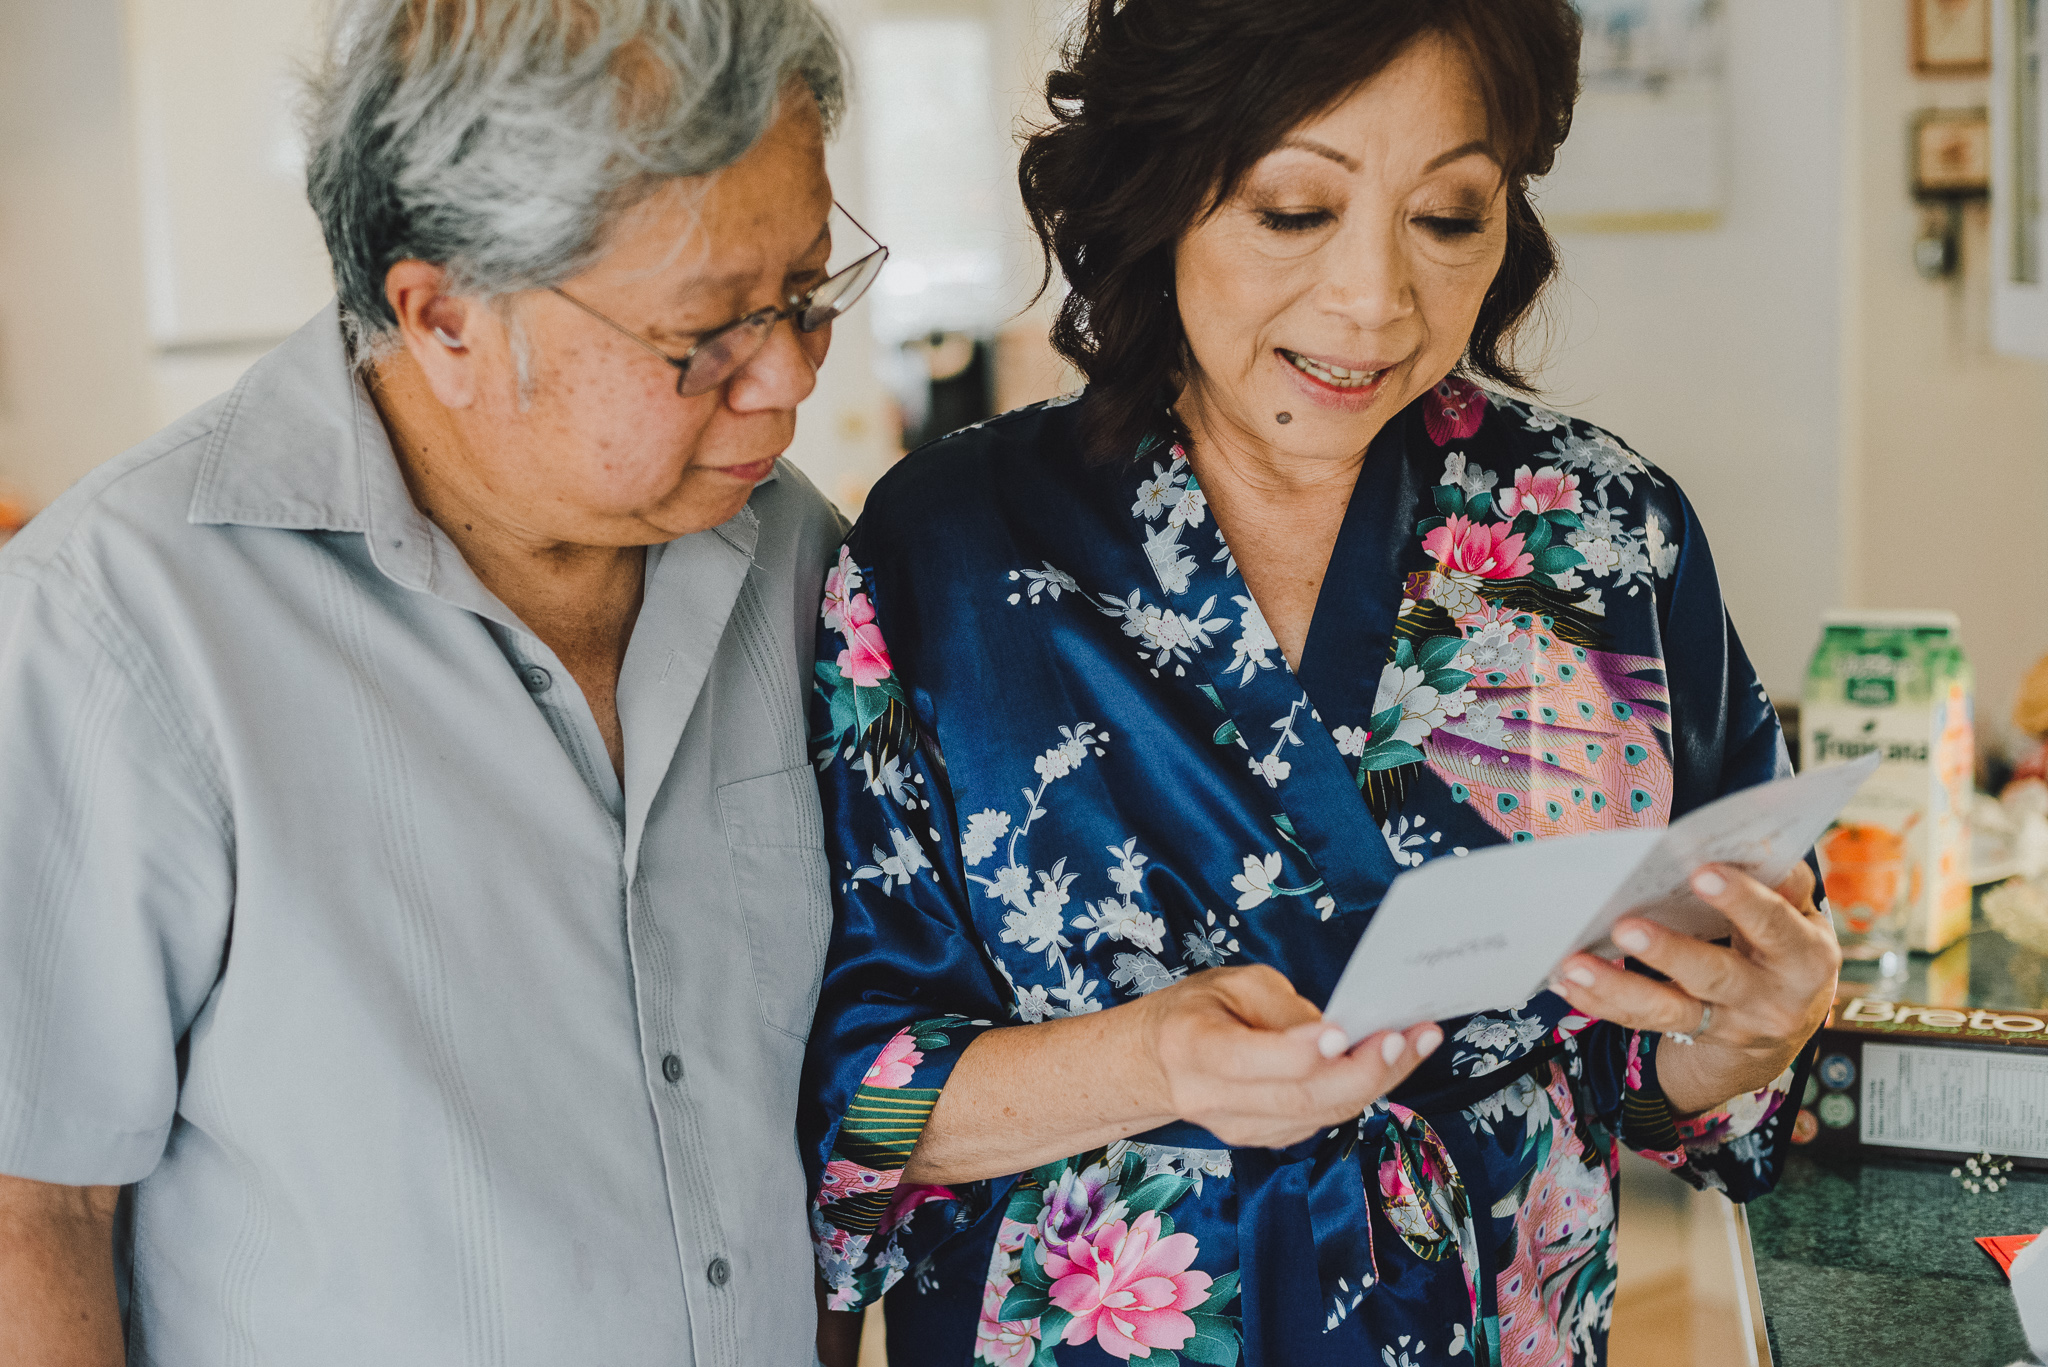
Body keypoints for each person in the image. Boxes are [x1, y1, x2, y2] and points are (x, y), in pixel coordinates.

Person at [800, 3, 1839, 1364]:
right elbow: (854, 1116)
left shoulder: (1598, 529)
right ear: (1156, 191)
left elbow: (1663, 1079)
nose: (1375, 300)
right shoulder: (946, 548)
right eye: (1294, 208)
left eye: (1449, 217)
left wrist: (1746, 1034)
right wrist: (1148, 1065)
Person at [0, 2, 875, 1362]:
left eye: (810, 295)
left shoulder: (794, 555)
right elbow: (30, 1201)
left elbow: (812, 1108)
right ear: (445, 315)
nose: (788, 381)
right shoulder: (118, 623)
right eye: (705, 334)